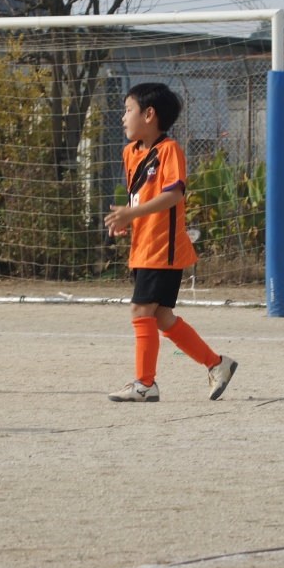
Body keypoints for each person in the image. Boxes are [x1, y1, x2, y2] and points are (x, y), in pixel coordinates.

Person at [103, 83, 236, 402]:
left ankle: (145, 384)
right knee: (161, 317)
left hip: (163, 248)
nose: (123, 117)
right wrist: (127, 219)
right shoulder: (130, 153)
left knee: (140, 310)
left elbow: (174, 194)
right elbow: (139, 197)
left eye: (128, 110)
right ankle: (217, 364)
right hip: (143, 247)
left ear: (149, 114)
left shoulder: (168, 150)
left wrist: (131, 212)